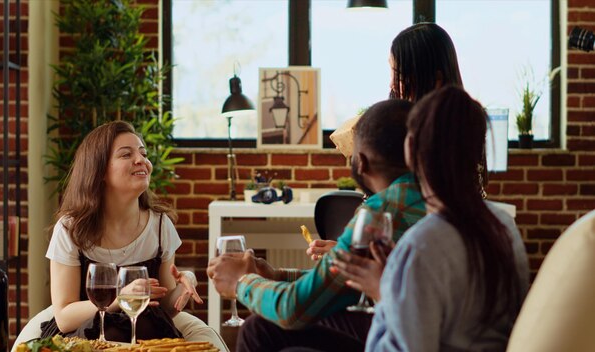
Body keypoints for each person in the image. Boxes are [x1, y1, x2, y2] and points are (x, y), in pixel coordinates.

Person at [207, 99, 426, 352]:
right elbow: (344, 285)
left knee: (258, 329)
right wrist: (278, 276)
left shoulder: (379, 211)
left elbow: (293, 309)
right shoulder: (432, 194)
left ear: (360, 162)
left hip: (397, 335)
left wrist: (241, 281)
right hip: (416, 328)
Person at [336, 86, 529, 351]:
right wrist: (398, 281)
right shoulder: (504, 224)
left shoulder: (421, 246)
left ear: (410, 148)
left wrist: (385, 292)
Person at [40, 121, 227, 350]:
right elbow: (64, 317)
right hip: (83, 339)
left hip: (148, 336)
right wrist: (121, 298)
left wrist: (185, 282)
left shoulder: (160, 226)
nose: (141, 160)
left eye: (143, 153)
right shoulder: (70, 229)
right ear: (99, 171)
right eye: (126, 154)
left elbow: (166, 308)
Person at [307, 21, 472, 260]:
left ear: (435, 79)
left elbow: (411, 240)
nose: (392, 84)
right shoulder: (418, 135)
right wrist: (348, 250)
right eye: (392, 72)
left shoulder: (436, 153)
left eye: (401, 74)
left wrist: (351, 253)